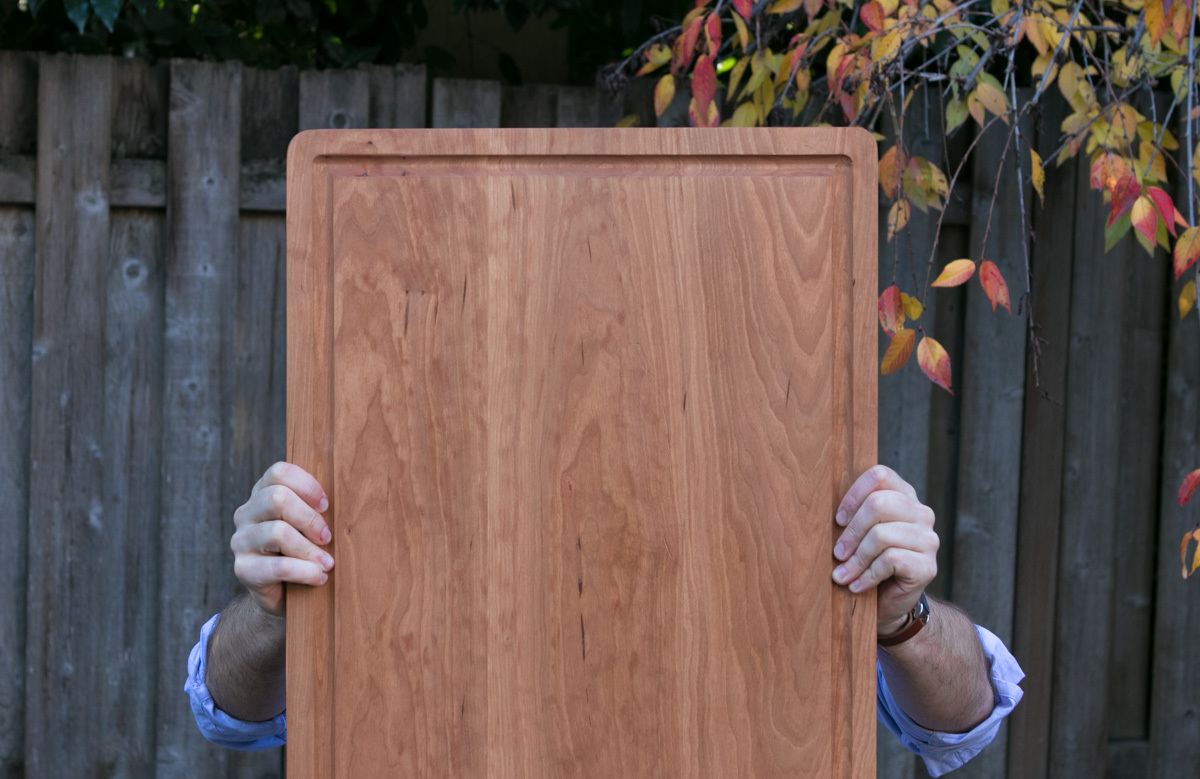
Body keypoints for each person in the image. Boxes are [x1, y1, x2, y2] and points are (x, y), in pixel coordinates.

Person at [185, 462, 1023, 777]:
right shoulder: (402, 475)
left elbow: (962, 726)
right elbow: (227, 714)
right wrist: (271, 607)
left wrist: (903, 615)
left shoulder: (776, 472)